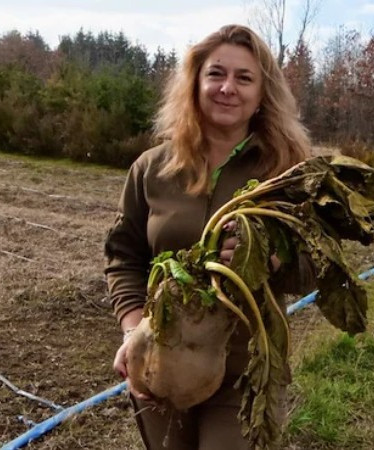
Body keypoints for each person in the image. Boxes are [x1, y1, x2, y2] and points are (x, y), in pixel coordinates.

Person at [105, 24, 314, 449]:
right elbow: (123, 254)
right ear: (196, 83)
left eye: (244, 78)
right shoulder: (152, 168)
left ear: (262, 95)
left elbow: (313, 269)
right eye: (216, 74)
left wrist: (270, 255)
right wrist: (133, 333)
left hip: (245, 370)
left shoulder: (286, 174)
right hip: (161, 361)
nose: (227, 88)